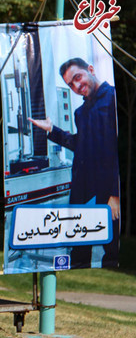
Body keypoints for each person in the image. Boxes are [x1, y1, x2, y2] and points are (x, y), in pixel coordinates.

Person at [29, 57, 120, 266]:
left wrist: (115, 193)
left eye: (77, 78)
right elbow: (81, 145)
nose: (77, 86)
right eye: (71, 84)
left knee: (112, 249)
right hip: (83, 190)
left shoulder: (113, 99)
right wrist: (52, 130)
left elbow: (116, 149)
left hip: (108, 191)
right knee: (79, 248)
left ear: (90, 69)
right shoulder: (81, 112)